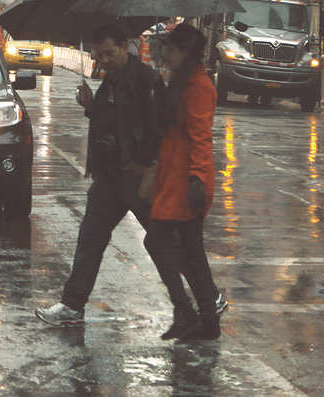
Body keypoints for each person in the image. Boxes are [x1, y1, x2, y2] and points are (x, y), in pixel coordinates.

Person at [36, 21, 199, 334]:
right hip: (110, 179)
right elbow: (111, 121)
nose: (105, 60)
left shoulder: (143, 79)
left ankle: (204, 298)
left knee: (166, 243)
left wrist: (143, 163)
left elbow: (160, 125)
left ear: (125, 47)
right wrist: (89, 106)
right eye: (99, 55)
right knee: (90, 239)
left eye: (110, 52)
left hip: (137, 178)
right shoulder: (111, 80)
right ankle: (72, 306)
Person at [147, 23, 226, 341]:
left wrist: (197, 179)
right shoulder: (181, 81)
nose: (166, 54)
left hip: (186, 180)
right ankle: (207, 320)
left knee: (157, 241)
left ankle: (190, 309)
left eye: (172, 49)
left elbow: (201, 138)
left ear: (186, 53)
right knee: (191, 249)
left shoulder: (197, 86)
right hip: (177, 175)